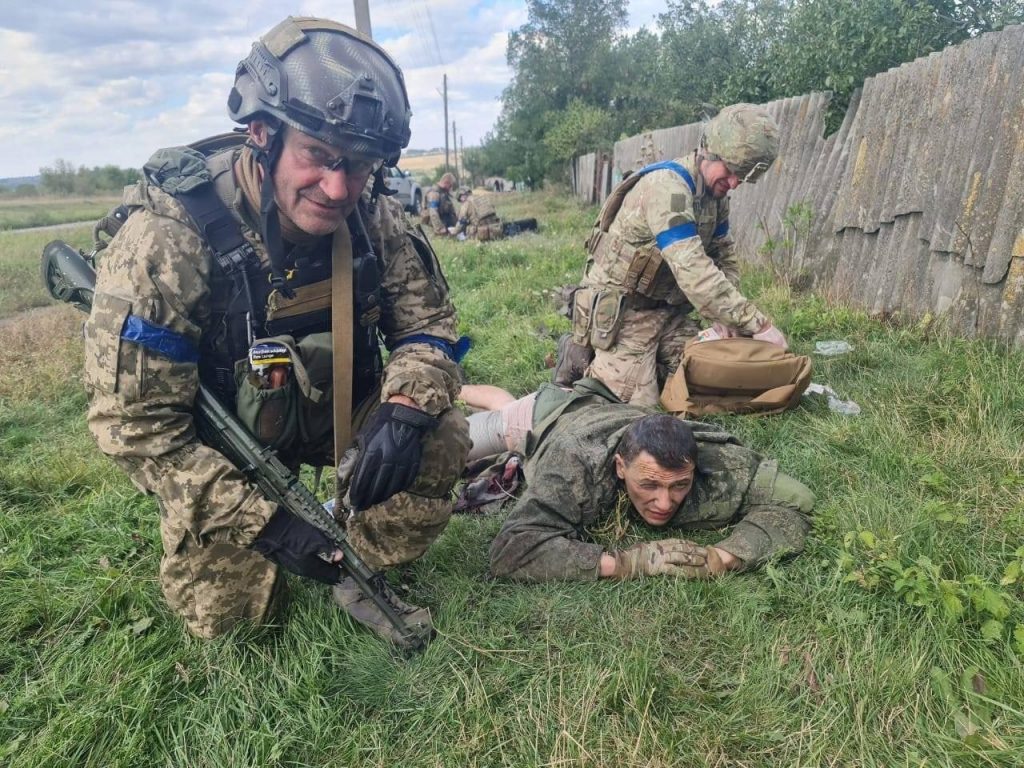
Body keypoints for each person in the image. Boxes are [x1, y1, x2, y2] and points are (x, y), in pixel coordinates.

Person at [82, 17, 470, 646]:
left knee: (443, 429)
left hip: (333, 414)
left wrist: (405, 407)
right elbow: (136, 429)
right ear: (261, 135)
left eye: (360, 166)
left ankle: (359, 564)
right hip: (225, 454)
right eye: (318, 156)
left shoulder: (376, 217)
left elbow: (431, 327)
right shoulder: (167, 241)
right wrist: (265, 523)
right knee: (234, 629)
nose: (338, 187)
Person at [557, 104, 789, 406]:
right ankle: (579, 355)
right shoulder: (669, 189)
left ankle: (644, 363)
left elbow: (724, 257)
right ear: (710, 151)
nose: (734, 183)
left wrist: (727, 318)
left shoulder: (714, 198)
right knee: (633, 408)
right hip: (624, 313)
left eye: (742, 178)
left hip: (668, 313)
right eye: (731, 171)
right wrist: (759, 324)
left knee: (707, 379)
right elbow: (693, 270)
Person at [472, 379, 813, 581]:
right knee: (465, 434)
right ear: (620, 467)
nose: (665, 503)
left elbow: (797, 501)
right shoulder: (575, 467)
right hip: (544, 416)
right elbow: (510, 550)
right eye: (649, 485)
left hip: (607, 407)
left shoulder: (714, 460)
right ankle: (454, 383)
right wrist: (628, 562)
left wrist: (723, 557)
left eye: (679, 485)